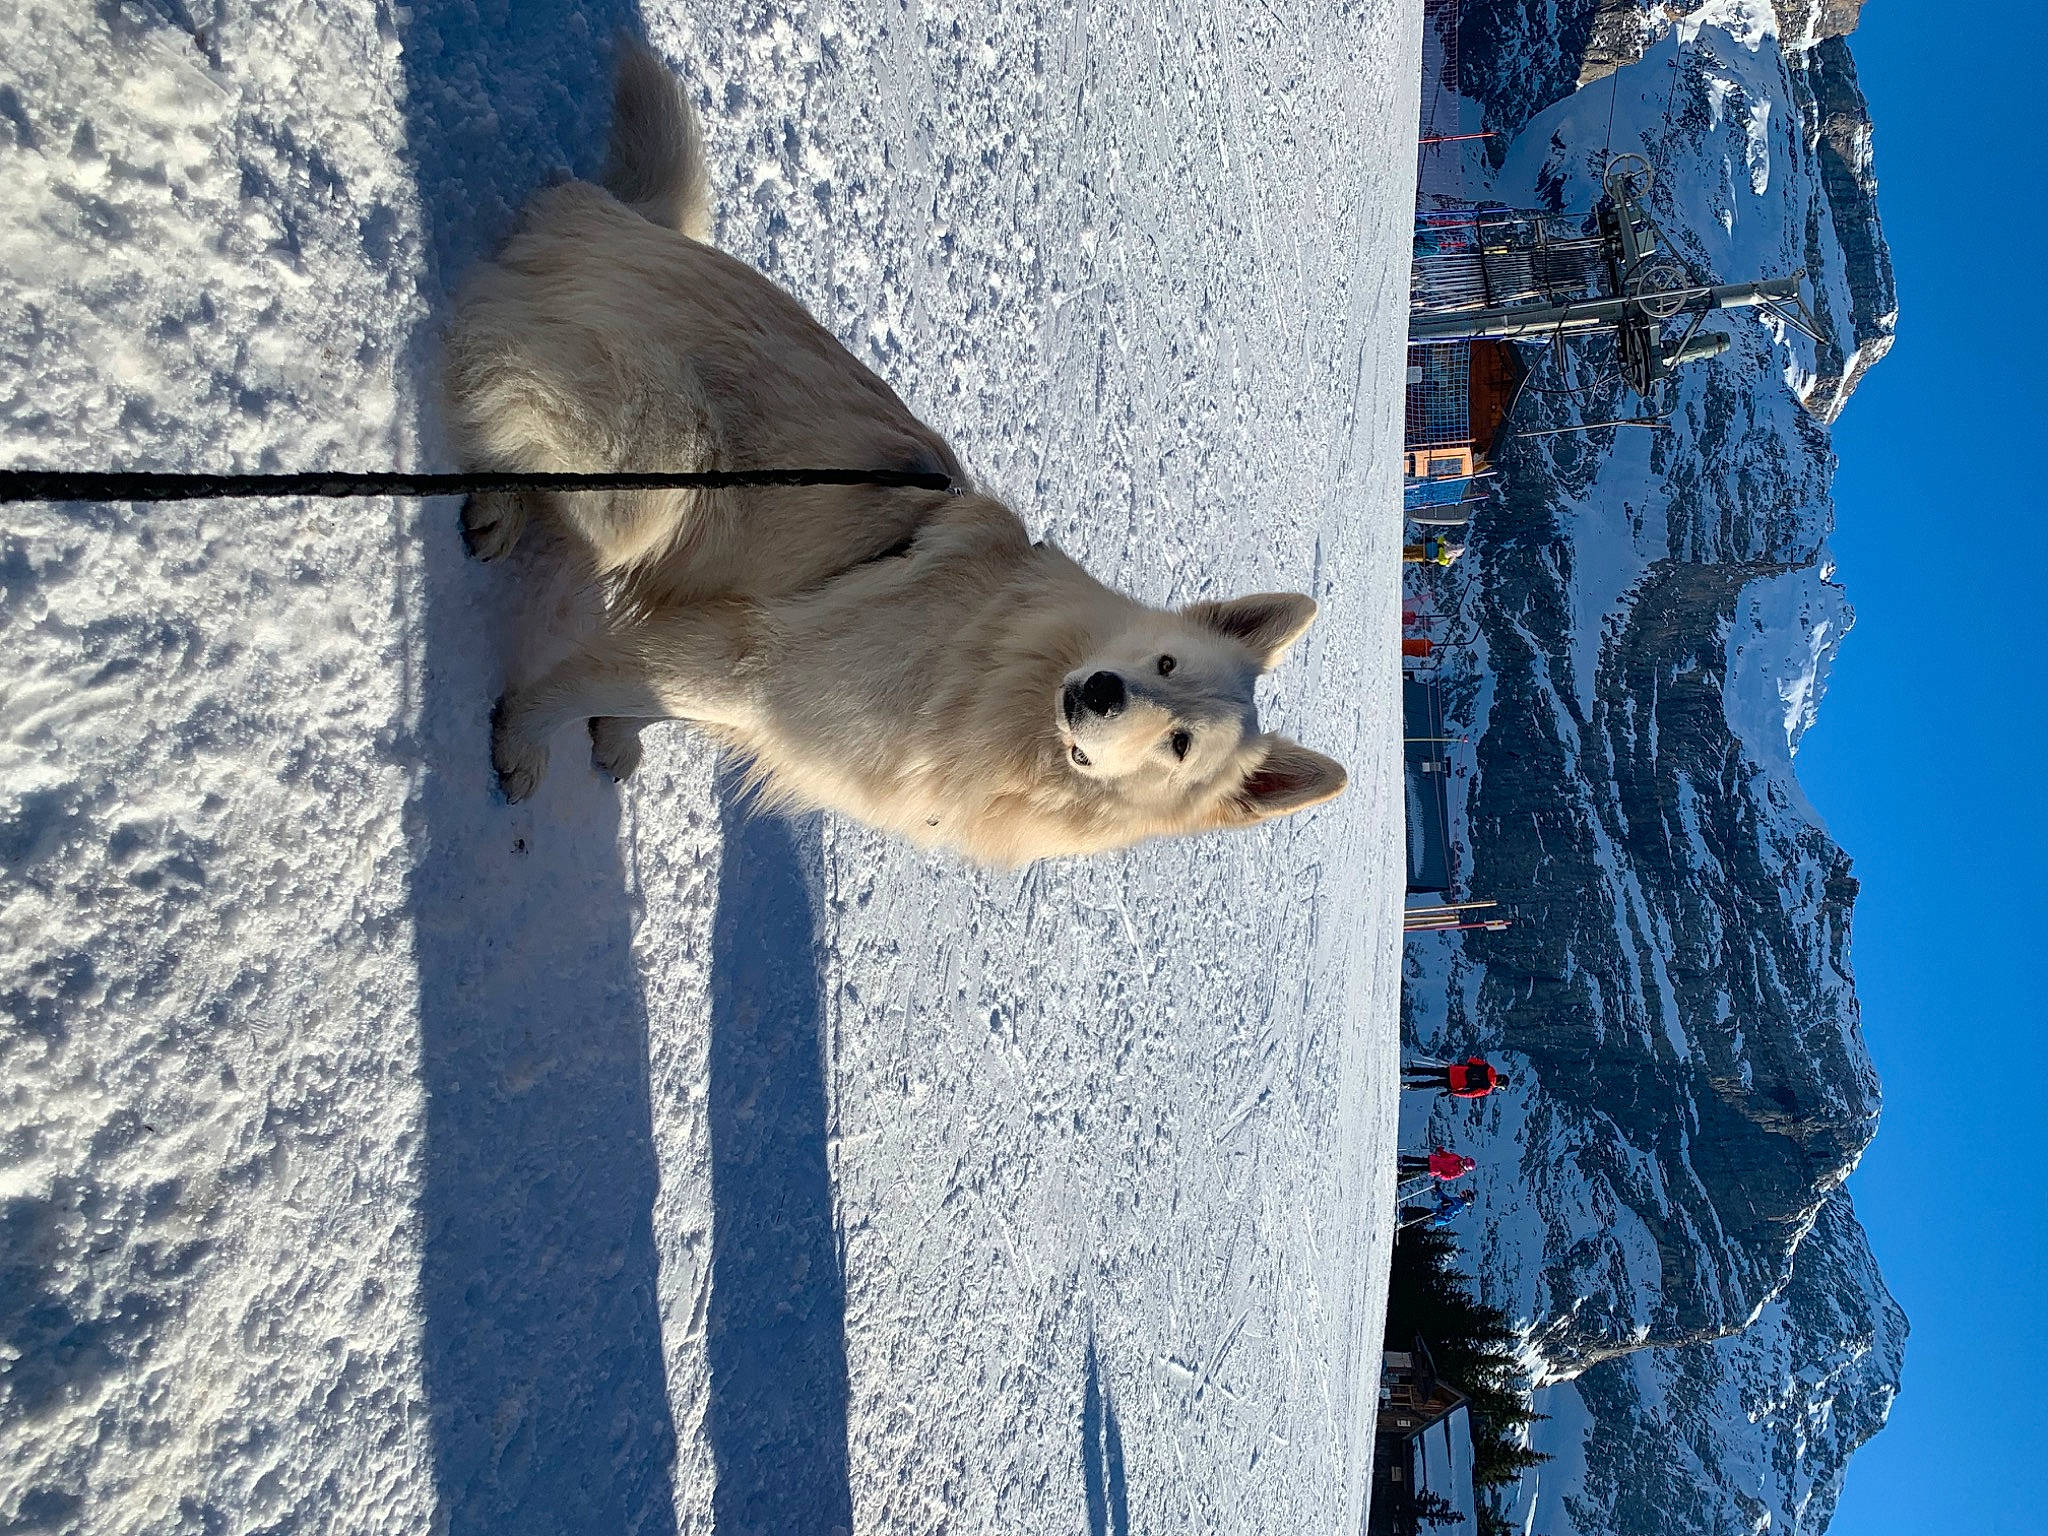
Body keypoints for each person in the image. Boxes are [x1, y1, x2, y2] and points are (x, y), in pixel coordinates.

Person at [1402, 1055, 1510, 1099]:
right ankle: (1409, 1085)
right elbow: (1470, 1094)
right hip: (1454, 1084)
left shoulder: (1488, 1068)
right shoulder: (1487, 1089)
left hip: (1454, 1070)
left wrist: (1464, 1066)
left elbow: (1471, 1060)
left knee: (1430, 1071)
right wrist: (1454, 1092)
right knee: (1431, 1084)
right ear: (1499, 1084)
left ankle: (1408, 1072)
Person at [1397, 1148, 1477, 1181]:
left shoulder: (1458, 1172)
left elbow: (1448, 1177)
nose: (1462, 1161)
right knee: (1418, 1160)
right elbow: (1446, 1155)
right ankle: (1403, 1159)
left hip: (1435, 1169)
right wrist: (1440, 1151)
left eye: (1463, 1162)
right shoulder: (1457, 1158)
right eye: (1464, 1160)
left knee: (1417, 1169)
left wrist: (1441, 1174)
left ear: (1465, 1167)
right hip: (1434, 1160)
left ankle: (1402, 1170)